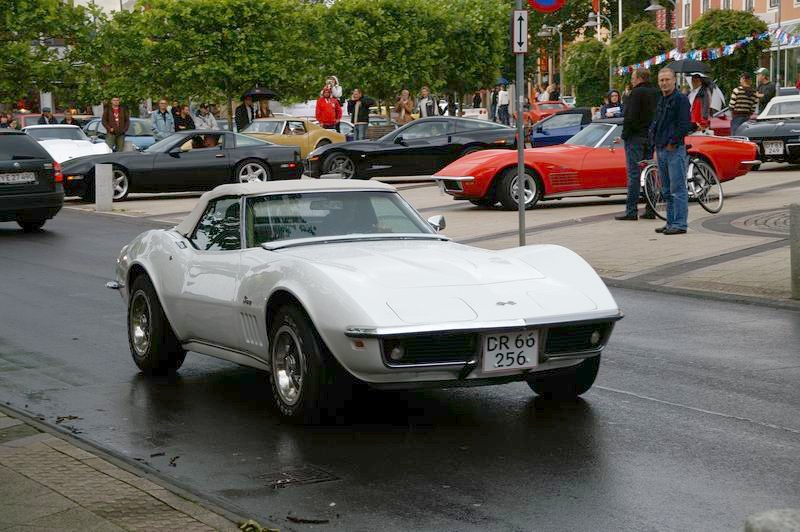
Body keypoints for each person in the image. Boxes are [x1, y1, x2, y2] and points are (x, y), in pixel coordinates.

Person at [649, 67, 691, 235]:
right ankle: (670, 222)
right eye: (661, 80)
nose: (664, 83)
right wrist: (654, 142)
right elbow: (657, 122)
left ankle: (680, 224)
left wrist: (673, 142)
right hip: (661, 149)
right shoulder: (662, 99)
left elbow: (684, 124)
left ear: (674, 80)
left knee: (677, 189)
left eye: (667, 79)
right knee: (666, 190)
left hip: (674, 149)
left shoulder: (681, 99)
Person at [616, 68, 659, 221]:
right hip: (650, 137)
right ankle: (651, 209)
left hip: (635, 138)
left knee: (634, 174)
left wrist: (625, 135)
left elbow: (630, 116)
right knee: (649, 173)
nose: (632, 80)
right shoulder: (656, 92)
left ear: (640, 78)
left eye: (633, 77)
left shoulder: (636, 93)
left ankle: (631, 211)